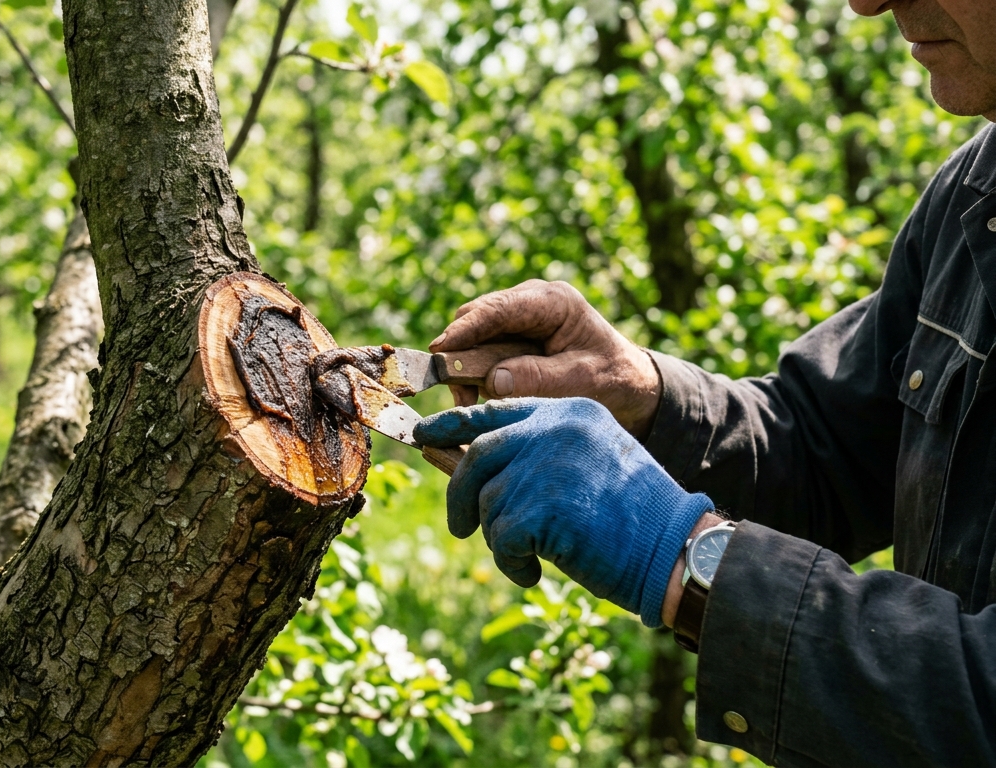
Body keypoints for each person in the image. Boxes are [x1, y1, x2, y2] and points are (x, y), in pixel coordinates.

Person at [411, 0, 996, 764]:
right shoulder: (972, 199)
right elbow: (825, 447)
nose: (868, 2)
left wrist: (688, 559)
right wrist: (643, 395)